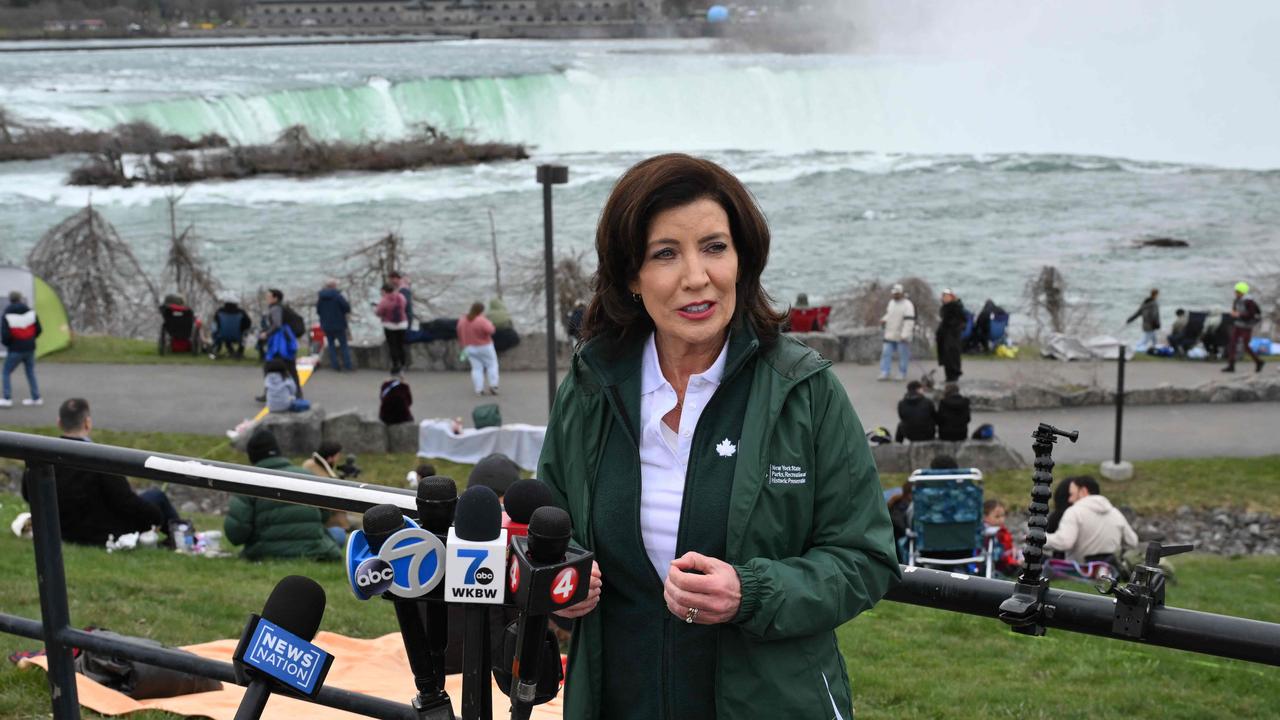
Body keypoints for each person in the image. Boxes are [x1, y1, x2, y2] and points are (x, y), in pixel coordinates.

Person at [535, 154, 900, 720]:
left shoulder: (802, 390)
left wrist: (750, 593)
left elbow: (865, 558)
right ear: (632, 276)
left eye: (714, 247)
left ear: (742, 259)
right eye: (665, 254)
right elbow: (547, 533)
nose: (696, 277)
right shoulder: (589, 388)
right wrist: (562, 588)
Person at [21, 398, 177, 546]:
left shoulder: (43, 455)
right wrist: (157, 517)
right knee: (157, 497)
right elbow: (126, 502)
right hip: (102, 532)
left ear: (59, 423)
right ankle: (183, 538)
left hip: (61, 528)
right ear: (87, 423)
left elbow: (28, 494)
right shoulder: (99, 459)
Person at [224, 429, 343, 561]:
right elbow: (325, 516)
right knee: (339, 534)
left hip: (263, 553)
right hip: (315, 551)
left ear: (252, 456)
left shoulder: (248, 482)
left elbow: (235, 533)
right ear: (278, 451)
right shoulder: (307, 476)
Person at [1044, 475, 1138, 566]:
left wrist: (1035, 538)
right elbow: (1133, 542)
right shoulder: (1115, 513)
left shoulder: (1074, 512)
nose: (1069, 499)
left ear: (1083, 491)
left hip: (1081, 571)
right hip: (1109, 572)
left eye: (1072, 494)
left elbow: (1064, 543)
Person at [302, 439, 350, 543]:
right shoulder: (326, 478)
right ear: (329, 458)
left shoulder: (309, 464)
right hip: (327, 521)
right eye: (337, 456)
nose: (339, 459)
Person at [1, 290, 42, 408]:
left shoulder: (6, 314)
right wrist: (30, 339)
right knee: (30, 372)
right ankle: (36, 398)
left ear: (10, 300)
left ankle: (7, 398)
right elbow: (38, 330)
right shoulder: (31, 312)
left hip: (15, 348)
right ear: (20, 299)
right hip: (30, 348)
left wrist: (9, 344)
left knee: (6, 372)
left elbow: (5, 335)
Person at [259, 288, 302, 399]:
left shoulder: (275, 309)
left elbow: (277, 324)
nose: (267, 299)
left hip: (280, 341)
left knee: (270, 365)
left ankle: (269, 392)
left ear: (275, 298)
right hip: (286, 339)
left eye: (269, 296)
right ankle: (297, 392)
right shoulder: (283, 307)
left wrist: (266, 334)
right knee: (290, 366)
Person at [457, 301, 500, 396]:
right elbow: (491, 330)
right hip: (484, 346)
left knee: (476, 369)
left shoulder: (462, 320)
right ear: (481, 310)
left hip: (469, 348)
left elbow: (459, 332)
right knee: (492, 365)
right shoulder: (481, 320)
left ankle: (478, 389)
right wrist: (490, 322)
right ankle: (493, 385)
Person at [1223, 281, 1265, 373]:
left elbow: (1251, 314)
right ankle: (1231, 365)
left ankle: (1258, 361)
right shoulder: (1236, 300)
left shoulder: (1249, 302)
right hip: (1238, 325)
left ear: (1243, 292)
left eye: (1238, 292)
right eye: (1236, 291)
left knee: (1246, 346)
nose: (1236, 293)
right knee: (1232, 344)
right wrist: (1233, 316)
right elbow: (1234, 311)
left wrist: (1238, 315)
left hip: (1247, 326)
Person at [879, 282, 916, 381]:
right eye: (894, 293)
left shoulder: (908, 305)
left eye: (897, 293)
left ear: (902, 293)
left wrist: (905, 335)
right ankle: (885, 371)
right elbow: (889, 314)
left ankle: (902, 372)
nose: (895, 295)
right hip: (890, 334)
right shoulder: (891, 303)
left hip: (901, 336)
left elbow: (909, 322)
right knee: (886, 353)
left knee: (903, 355)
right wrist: (884, 319)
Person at [316, 279, 354, 372]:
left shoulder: (321, 298)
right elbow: (346, 308)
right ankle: (347, 365)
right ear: (334, 286)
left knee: (331, 345)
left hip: (326, 325)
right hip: (339, 324)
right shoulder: (338, 296)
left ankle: (335, 365)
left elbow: (318, 311)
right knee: (344, 345)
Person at [375, 282, 409, 375]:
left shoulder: (384, 300)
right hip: (402, 324)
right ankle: (403, 365)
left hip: (389, 326)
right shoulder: (401, 297)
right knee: (401, 345)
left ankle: (395, 366)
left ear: (384, 291)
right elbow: (404, 306)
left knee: (392, 346)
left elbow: (378, 312)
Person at [983, 499, 1020, 576]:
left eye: (1003, 515)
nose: (1001, 519)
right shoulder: (989, 533)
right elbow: (999, 555)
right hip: (1000, 564)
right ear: (985, 517)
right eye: (997, 516)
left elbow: (1008, 546)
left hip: (1009, 559)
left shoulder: (1001, 529)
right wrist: (1015, 561)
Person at [936, 288, 965, 382]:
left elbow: (962, 321)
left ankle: (954, 376)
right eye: (943, 296)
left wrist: (955, 329)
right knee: (946, 357)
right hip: (945, 335)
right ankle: (948, 376)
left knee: (952, 356)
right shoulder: (944, 307)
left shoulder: (956, 307)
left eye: (946, 296)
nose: (944, 298)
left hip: (952, 336)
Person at [1126, 288, 1161, 353]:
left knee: (1154, 339)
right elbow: (1155, 315)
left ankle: (1155, 349)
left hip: (1145, 324)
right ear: (1156, 294)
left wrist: (1130, 319)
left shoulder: (1145, 303)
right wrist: (1157, 324)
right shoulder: (1154, 303)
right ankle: (1135, 349)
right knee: (1145, 340)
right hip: (1152, 325)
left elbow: (1138, 313)